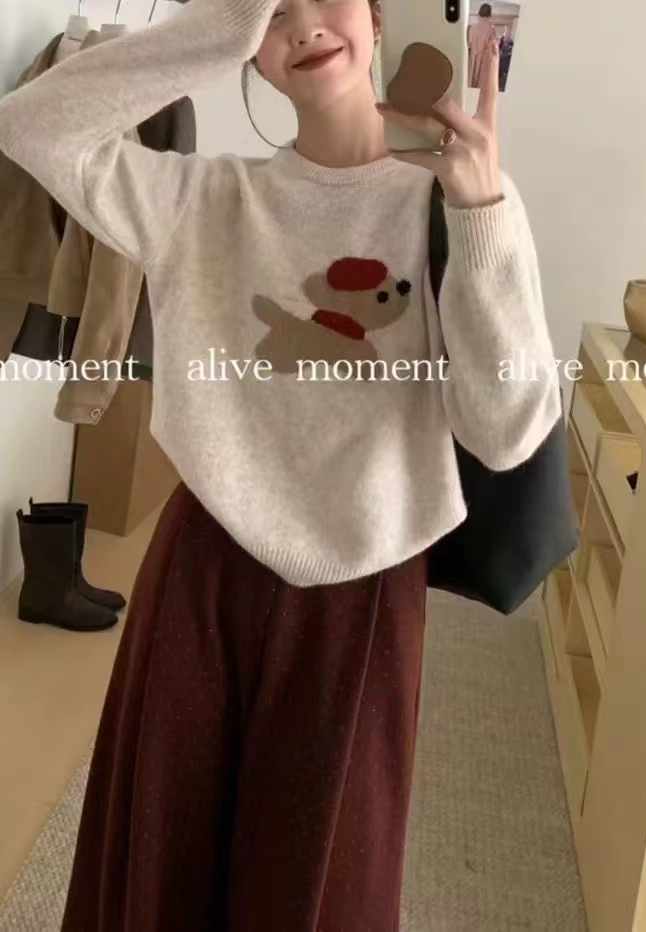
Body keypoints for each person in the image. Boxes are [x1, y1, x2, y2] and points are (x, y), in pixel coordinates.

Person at [0, 0, 561, 927]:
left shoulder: (458, 198)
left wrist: (480, 213)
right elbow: (32, 125)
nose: (302, 24)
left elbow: (504, 434)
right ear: (246, 45)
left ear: (377, 18)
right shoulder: (201, 200)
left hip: (367, 582)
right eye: (272, 9)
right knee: (161, 862)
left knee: (322, 885)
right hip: (204, 568)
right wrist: (222, 26)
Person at [467, 2, 498, 88]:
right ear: (489, 14)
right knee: (482, 84)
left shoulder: (472, 28)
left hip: (473, 57)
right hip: (485, 59)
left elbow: (469, 44)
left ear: (479, 13)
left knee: (470, 80)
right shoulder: (491, 29)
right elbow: (493, 48)